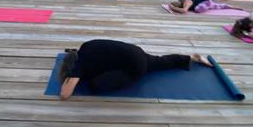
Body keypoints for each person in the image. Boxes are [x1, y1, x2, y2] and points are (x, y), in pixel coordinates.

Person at [57, 39, 212, 100]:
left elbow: (65, 95)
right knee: (160, 62)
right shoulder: (86, 45)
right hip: (136, 51)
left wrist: (69, 77)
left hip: (135, 67)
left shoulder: (80, 65)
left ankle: (191, 58)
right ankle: (191, 58)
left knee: (95, 84)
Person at [167, 0, 237, 14]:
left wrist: (172, 8)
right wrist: (171, 5)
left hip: (205, 0)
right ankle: (231, 7)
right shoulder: (182, 1)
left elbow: (184, 11)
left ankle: (209, 5)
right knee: (217, 6)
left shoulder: (187, 2)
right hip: (204, 0)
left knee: (197, 9)